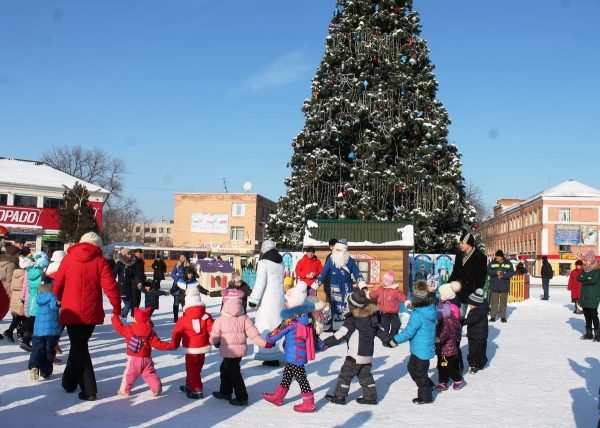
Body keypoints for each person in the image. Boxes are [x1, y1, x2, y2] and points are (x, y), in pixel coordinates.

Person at [54, 232, 121, 401]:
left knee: (79, 346)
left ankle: (89, 390)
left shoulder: (68, 259)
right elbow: (111, 287)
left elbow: (58, 284)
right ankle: (69, 382)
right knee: (79, 346)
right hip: (91, 312)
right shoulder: (100, 261)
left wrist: (59, 297)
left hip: (71, 310)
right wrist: (116, 307)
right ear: (97, 245)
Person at [322, 290, 395, 406]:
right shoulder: (372, 318)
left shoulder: (352, 320)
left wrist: (325, 343)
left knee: (345, 374)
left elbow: (340, 335)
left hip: (354, 355)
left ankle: (339, 396)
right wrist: (389, 340)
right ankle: (370, 397)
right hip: (367, 355)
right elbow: (380, 332)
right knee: (365, 375)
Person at [263, 281, 317, 412]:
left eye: (287, 302)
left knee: (301, 377)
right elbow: (314, 335)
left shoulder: (291, 321)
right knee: (287, 375)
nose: (285, 304)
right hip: (297, 353)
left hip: (295, 355)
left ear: (294, 304)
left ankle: (309, 402)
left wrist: (268, 338)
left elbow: (276, 334)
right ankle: (278, 396)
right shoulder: (305, 318)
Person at [210, 288, 269, 406]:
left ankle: (242, 397)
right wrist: (265, 343)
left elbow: (214, 336)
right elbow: (254, 334)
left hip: (228, 351)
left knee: (233, 373)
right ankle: (225, 391)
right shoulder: (245, 318)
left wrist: (214, 342)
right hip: (239, 352)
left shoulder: (221, 320)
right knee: (225, 368)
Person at [391, 280, 437, 404]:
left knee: (419, 373)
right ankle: (428, 385)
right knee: (411, 368)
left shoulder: (418, 315)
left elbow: (409, 332)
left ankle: (426, 396)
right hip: (420, 348)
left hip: (421, 349)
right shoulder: (429, 308)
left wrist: (395, 339)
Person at [112, 307, 173, 397]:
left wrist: (114, 317)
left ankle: (124, 391)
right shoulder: (151, 333)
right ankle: (156, 387)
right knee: (149, 373)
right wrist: (171, 345)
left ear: (135, 319)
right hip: (146, 358)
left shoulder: (129, 330)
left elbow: (119, 328)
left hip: (133, 359)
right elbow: (158, 344)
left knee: (129, 375)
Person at [311, 239, 367, 331]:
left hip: (347, 289)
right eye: (336, 250)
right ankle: (336, 329)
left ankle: (349, 328)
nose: (337, 252)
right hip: (335, 289)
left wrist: (363, 286)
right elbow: (323, 274)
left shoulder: (350, 261)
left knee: (348, 308)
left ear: (344, 251)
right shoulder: (331, 260)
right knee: (335, 308)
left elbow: (357, 273)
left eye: (339, 250)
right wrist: (314, 287)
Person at [170, 287, 214, 399]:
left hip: (190, 348)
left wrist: (174, 344)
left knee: (191, 368)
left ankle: (196, 389)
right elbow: (213, 330)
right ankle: (189, 385)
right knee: (197, 367)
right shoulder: (206, 316)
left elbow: (177, 333)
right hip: (203, 347)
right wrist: (215, 340)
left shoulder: (183, 319)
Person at [248, 240, 286, 366]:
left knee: (266, 326)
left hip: (266, 301)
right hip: (279, 299)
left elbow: (260, 283)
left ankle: (268, 354)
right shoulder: (281, 262)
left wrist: (253, 300)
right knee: (277, 326)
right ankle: (277, 353)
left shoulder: (263, 263)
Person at [448, 231, 487, 318]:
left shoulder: (480, 257)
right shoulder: (459, 255)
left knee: (475, 317)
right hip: (461, 290)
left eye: (462, 243)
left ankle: (473, 332)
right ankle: (458, 330)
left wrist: (478, 290)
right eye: (460, 243)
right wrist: (449, 283)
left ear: (469, 244)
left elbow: (482, 276)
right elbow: (455, 271)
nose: (460, 245)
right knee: (459, 315)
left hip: (472, 291)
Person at [27, 282, 61, 381]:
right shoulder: (53, 298)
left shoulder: (38, 299)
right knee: (49, 351)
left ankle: (34, 366)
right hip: (51, 333)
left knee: (37, 350)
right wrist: (58, 303)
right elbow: (54, 305)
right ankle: (46, 371)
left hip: (38, 332)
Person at [435, 281, 463, 391]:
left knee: (446, 366)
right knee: (442, 365)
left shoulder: (448, 321)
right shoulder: (445, 306)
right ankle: (443, 382)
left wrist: (437, 339)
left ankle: (457, 378)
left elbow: (445, 334)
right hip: (443, 348)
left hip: (447, 348)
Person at [19, 251, 49, 352]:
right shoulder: (42, 271)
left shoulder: (29, 270)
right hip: (40, 298)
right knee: (38, 322)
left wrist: (22, 297)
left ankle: (26, 339)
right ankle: (29, 341)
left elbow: (25, 285)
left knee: (31, 320)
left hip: (31, 298)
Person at [366, 270, 409, 336]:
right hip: (384, 312)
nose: (384, 282)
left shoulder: (395, 290)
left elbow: (402, 296)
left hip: (394, 312)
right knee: (386, 326)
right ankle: (386, 338)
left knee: (396, 325)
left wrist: (406, 302)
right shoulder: (380, 289)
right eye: (384, 280)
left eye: (386, 281)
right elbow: (374, 294)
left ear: (390, 282)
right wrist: (368, 294)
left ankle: (392, 337)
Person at [461, 288, 489, 374]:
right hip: (473, 334)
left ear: (476, 303)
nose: (469, 305)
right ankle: (473, 363)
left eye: (470, 303)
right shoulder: (478, 307)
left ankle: (477, 364)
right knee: (472, 349)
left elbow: (472, 319)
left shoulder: (480, 310)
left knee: (478, 350)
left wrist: (462, 321)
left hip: (479, 335)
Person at [576, 251, 600, 341]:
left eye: (587, 260)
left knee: (594, 315)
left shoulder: (597, 270)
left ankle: (598, 334)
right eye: (585, 260)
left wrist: (585, 279)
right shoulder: (584, 270)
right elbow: (578, 278)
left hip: (594, 295)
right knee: (587, 315)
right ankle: (589, 333)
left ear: (592, 260)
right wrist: (587, 278)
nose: (585, 262)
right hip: (585, 296)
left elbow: (593, 280)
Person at [487, 250, 515, 323]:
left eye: (498, 256)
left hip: (504, 285)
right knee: (494, 302)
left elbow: (511, 273)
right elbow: (488, 271)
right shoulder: (492, 263)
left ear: (502, 257)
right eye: (496, 256)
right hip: (494, 285)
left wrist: (503, 276)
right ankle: (493, 316)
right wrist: (495, 273)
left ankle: (502, 316)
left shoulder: (508, 263)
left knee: (503, 302)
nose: (496, 257)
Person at [1, 243, 20, 341]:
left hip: (1, 288)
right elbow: (9, 280)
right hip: (7, 289)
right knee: (16, 311)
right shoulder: (11, 263)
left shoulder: (1, 261)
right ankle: (14, 331)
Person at [113, 248, 137, 320]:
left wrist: (138, 282)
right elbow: (113, 273)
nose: (129, 256)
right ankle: (122, 317)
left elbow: (134, 275)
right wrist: (114, 282)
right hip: (122, 287)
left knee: (130, 303)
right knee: (128, 304)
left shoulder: (131, 264)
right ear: (124, 255)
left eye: (130, 254)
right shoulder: (120, 264)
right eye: (127, 254)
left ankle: (120, 315)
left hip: (129, 287)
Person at [170, 254, 189, 322]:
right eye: (181, 257)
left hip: (184, 287)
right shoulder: (176, 265)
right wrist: (179, 279)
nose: (182, 258)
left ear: (185, 258)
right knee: (176, 303)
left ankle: (185, 317)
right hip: (177, 286)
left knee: (184, 303)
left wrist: (179, 275)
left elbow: (187, 275)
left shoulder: (187, 266)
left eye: (183, 257)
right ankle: (175, 318)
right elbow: (173, 274)